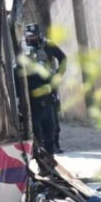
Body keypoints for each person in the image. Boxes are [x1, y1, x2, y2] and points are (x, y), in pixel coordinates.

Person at [24, 24, 67, 153]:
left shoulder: (48, 45)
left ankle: (55, 145)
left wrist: (58, 75)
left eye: (33, 36)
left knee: (52, 116)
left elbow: (63, 58)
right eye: (29, 36)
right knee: (36, 122)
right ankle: (40, 148)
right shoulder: (23, 49)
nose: (31, 39)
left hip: (49, 85)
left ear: (39, 35)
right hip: (33, 87)